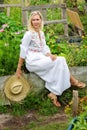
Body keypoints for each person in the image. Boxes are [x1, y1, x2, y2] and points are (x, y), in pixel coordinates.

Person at [16, 11, 86, 107]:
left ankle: (54, 93)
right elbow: (23, 51)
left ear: (41, 20)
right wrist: (19, 68)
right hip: (32, 62)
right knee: (61, 60)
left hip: (41, 59)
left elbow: (44, 48)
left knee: (60, 61)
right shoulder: (28, 34)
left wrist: (50, 55)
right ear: (30, 22)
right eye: (33, 20)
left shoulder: (41, 33)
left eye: (37, 19)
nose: (36, 22)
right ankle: (72, 81)